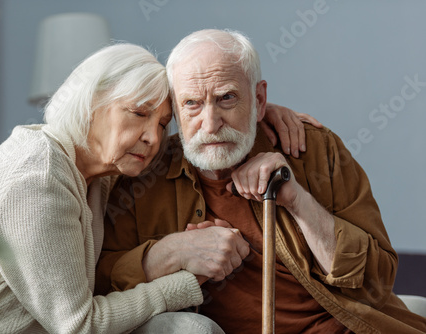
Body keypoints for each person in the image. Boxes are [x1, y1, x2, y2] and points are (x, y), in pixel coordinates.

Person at [0, 42, 313, 333]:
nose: (152, 138)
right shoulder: (38, 179)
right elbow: (79, 326)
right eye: (139, 113)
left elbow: (204, 118)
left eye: (162, 124)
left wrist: (259, 116)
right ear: (92, 103)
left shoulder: (102, 170)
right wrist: (184, 281)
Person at [96, 30, 426, 333]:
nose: (210, 124)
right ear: (175, 110)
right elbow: (100, 284)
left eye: (226, 98)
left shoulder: (312, 148)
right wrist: (172, 252)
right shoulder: (143, 175)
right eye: (192, 103)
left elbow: (377, 282)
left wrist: (297, 201)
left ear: (259, 100)